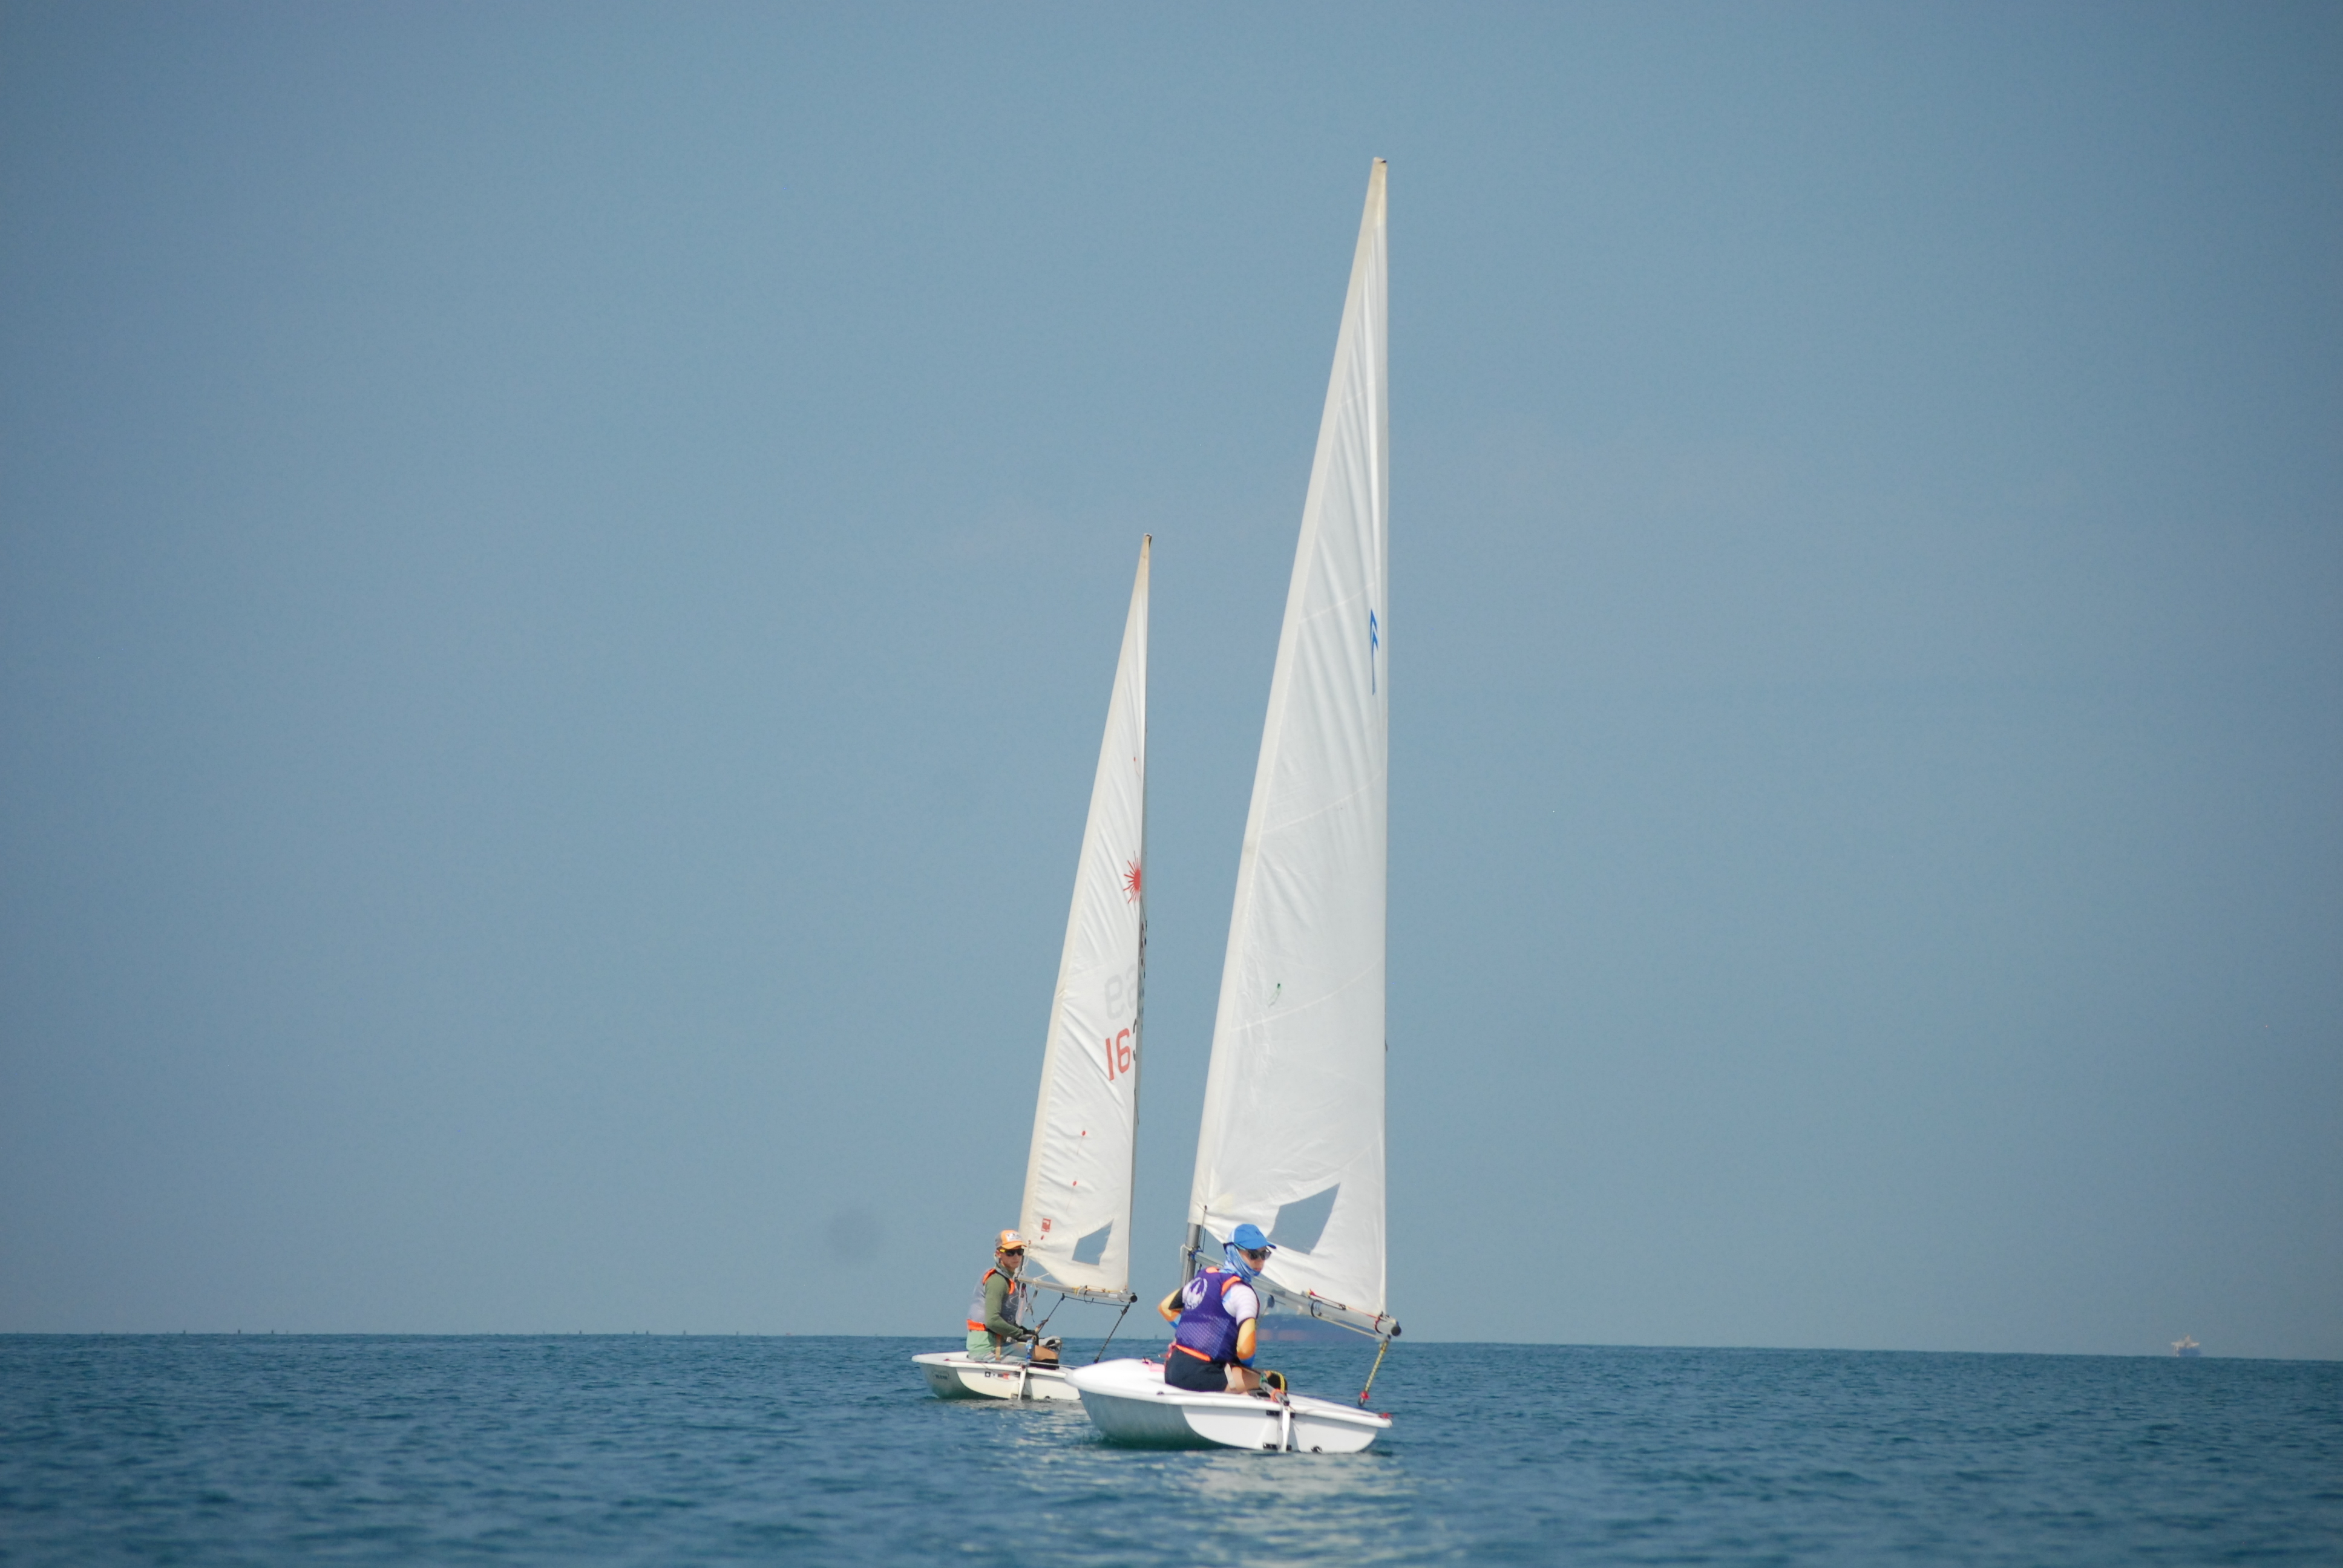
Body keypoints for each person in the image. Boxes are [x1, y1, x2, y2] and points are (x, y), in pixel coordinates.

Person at [1158, 1221, 1275, 1394]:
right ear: (1233, 1251)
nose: (1260, 1261)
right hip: (1202, 1376)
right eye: (1253, 1255)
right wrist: (1244, 1369)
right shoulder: (1244, 1294)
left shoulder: (1205, 1278)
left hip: (1173, 1369)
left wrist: (1195, 1330)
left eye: (1264, 1254)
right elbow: (1245, 1350)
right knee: (1274, 1380)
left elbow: (1166, 1308)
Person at [965, 1230, 1038, 1360]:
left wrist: (1024, 1331)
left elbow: (1003, 1319)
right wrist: (1019, 1334)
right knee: (1050, 1355)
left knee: (1052, 1344)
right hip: (988, 1350)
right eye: (1010, 1253)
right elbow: (992, 1321)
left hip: (997, 1346)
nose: (1016, 1257)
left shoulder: (1006, 1279)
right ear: (999, 1254)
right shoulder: (997, 1281)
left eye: (1020, 1252)